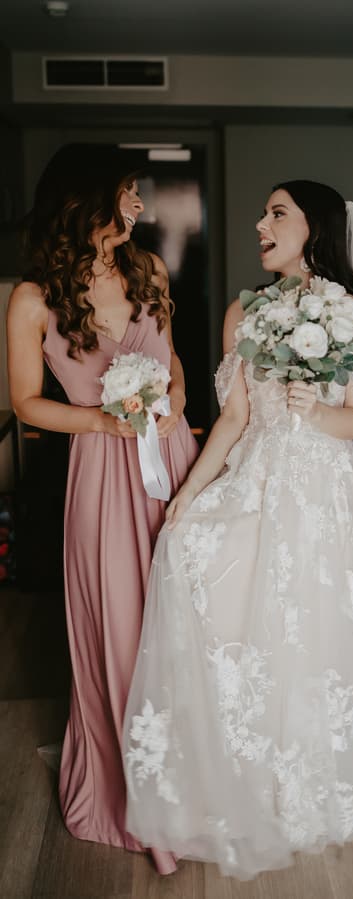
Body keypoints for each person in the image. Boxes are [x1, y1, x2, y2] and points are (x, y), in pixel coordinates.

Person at [122, 180, 353, 878]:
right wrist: (188, 494)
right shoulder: (244, 311)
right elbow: (236, 417)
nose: (260, 224)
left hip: (326, 492)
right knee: (213, 583)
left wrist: (315, 409)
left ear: (313, 228)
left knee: (311, 638)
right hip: (258, 477)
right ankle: (229, 779)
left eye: (276, 214)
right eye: (263, 214)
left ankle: (297, 791)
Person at [7, 144, 198, 874]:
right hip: (102, 469)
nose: (138, 207)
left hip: (170, 458)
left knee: (182, 619)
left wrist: (176, 398)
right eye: (125, 193)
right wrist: (101, 421)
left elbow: (172, 359)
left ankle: (189, 781)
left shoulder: (147, 271)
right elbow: (27, 403)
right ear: (83, 201)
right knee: (119, 624)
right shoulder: (33, 299)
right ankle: (133, 794)